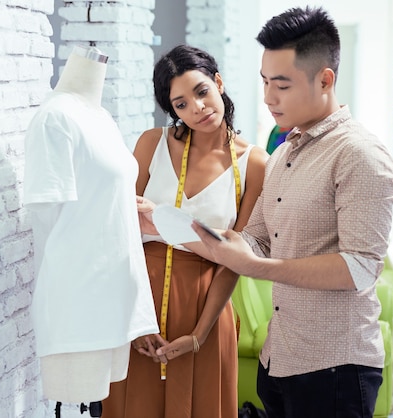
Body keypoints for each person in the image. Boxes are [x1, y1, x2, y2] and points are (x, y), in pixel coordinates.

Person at [190, 7, 393, 418]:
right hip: (280, 359)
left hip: (336, 369)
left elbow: (360, 266)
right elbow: (257, 239)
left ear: (325, 79)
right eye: (265, 82)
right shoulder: (283, 152)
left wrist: (257, 267)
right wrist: (177, 228)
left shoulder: (360, 154)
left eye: (281, 85)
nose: (268, 97)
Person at [102, 45, 268, 418]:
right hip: (139, 297)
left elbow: (235, 258)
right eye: (180, 104)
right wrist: (136, 317)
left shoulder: (255, 163)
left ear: (218, 83)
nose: (197, 108)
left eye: (202, 91)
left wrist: (200, 334)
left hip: (207, 304)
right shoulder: (151, 143)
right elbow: (119, 235)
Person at [22, 45, 159, 413]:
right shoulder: (56, 119)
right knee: (71, 404)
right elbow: (50, 224)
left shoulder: (101, 118)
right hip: (78, 306)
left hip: (112, 300)